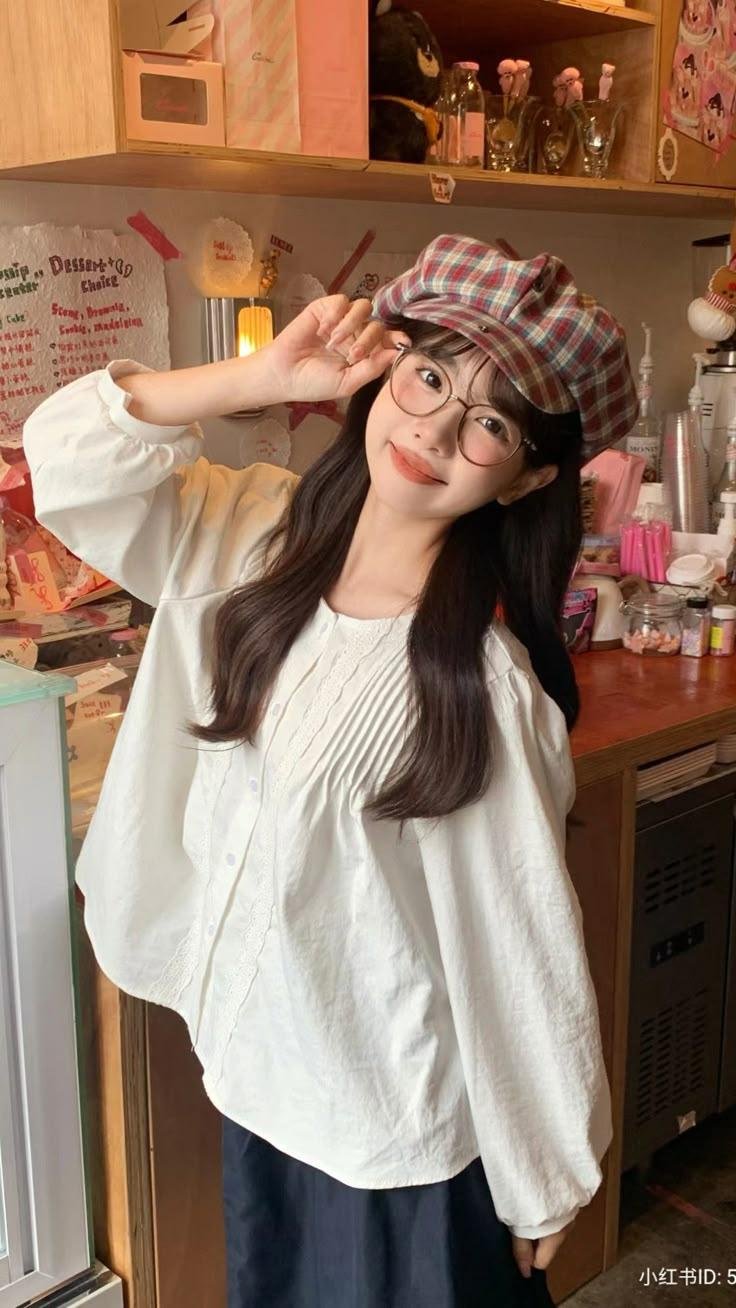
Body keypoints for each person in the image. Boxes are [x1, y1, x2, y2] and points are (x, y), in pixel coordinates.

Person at [23, 233, 638, 1308]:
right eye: (430, 376)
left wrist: (544, 1174)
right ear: (386, 371)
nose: (434, 430)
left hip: (393, 1138)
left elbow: (516, 947)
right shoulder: (246, 538)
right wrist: (258, 378)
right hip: (262, 1088)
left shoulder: (474, 688)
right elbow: (67, 458)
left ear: (532, 474)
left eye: (491, 423)